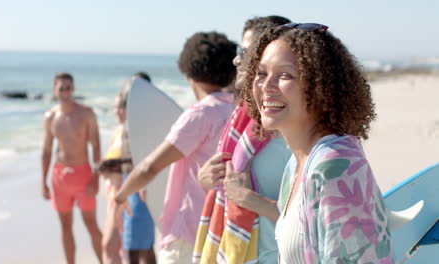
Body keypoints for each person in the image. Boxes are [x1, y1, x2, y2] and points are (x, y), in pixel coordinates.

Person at [240, 23, 395, 263]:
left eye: (285, 75)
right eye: (261, 73)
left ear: (321, 87)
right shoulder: (297, 163)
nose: (266, 86)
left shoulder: (334, 167)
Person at [114, 32, 237, 263]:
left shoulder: (200, 115)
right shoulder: (236, 113)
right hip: (221, 229)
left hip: (188, 233)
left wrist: (120, 197)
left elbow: (149, 167)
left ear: (189, 71)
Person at [193, 16, 292, 264]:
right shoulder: (243, 120)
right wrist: (207, 179)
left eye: (244, 51)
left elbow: (314, 217)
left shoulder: (292, 129)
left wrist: (247, 198)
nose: (236, 59)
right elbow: (231, 190)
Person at [41, 72, 102, 264]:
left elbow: (97, 146)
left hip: (83, 175)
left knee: (91, 224)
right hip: (60, 177)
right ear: (55, 91)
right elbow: (47, 150)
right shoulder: (50, 117)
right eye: (61, 88)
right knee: (65, 226)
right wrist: (43, 182)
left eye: (68, 88)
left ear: (73, 89)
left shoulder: (86, 114)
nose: (65, 92)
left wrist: (96, 178)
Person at [98, 72, 156, 264]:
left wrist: (117, 164)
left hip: (138, 186)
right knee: (142, 247)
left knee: (135, 248)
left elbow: (145, 159)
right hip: (131, 185)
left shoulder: (144, 123)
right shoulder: (133, 123)